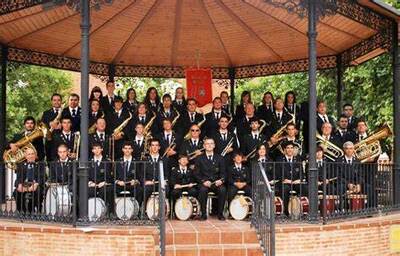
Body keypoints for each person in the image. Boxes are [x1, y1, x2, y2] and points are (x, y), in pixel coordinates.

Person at [195, 138, 226, 220]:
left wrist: (221, 180)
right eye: (207, 144)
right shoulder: (199, 158)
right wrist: (203, 181)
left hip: (216, 183)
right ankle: (203, 214)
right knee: (202, 190)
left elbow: (224, 173)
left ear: (214, 145)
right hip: (204, 183)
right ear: (204, 146)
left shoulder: (220, 158)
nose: (209, 145)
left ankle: (220, 214)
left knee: (222, 190)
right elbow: (196, 174)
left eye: (211, 143)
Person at [276, 141, 307, 216]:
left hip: (295, 183)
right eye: (288, 148)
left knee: (305, 188)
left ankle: (304, 210)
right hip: (284, 183)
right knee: (285, 189)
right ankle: (287, 211)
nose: (290, 150)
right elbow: (277, 173)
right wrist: (285, 180)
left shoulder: (298, 159)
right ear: (284, 150)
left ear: (294, 150)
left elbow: (302, 174)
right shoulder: (280, 160)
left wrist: (299, 180)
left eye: (291, 148)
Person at [14, 148, 45, 213]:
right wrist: (19, 185)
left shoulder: (40, 165)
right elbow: (18, 178)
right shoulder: (21, 165)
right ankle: (22, 211)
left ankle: (37, 210)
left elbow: (43, 177)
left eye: (32, 154)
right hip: (24, 185)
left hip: (35, 185)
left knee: (38, 190)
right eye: (29, 154)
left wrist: (36, 184)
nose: (31, 156)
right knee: (15, 192)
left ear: (35, 155)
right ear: (25, 156)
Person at [88, 143, 114, 214]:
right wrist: (90, 182)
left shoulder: (107, 161)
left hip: (104, 184)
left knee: (105, 191)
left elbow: (110, 175)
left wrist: (104, 182)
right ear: (92, 150)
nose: (96, 150)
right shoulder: (88, 161)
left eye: (98, 148)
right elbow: (86, 175)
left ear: (102, 149)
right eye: (94, 148)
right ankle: (91, 212)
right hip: (92, 184)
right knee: (87, 191)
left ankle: (107, 212)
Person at [143, 139, 170, 207]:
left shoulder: (165, 160)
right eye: (153, 145)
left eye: (156, 145)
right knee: (145, 190)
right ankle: (145, 210)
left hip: (160, 184)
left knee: (166, 189)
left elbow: (167, 173)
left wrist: (165, 181)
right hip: (149, 184)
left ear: (159, 147)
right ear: (150, 147)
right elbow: (141, 173)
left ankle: (163, 209)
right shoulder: (145, 160)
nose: (154, 147)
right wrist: (145, 181)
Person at [115, 142, 143, 206]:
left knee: (139, 190)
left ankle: (137, 210)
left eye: (129, 148)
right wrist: (118, 182)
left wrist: (136, 181)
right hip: (120, 185)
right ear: (122, 149)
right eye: (125, 148)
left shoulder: (137, 162)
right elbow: (114, 175)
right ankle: (114, 211)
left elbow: (140, 176)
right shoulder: (118, 161)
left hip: (132, 185)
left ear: (132, 150)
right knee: (110, 189)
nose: (127, 150)